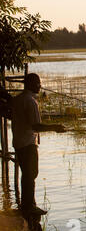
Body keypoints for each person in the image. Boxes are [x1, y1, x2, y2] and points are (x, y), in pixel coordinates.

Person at [11, 73, 65, 216]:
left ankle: (27, 204)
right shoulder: (30, 101)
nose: (40, 86)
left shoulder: (17, 100)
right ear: (30, 84)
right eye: (37, 83)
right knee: (31, 174)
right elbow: (36, 126)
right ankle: (29, 206)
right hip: (28, 142)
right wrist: (55, 127)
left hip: (18, 141)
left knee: (27, 174)